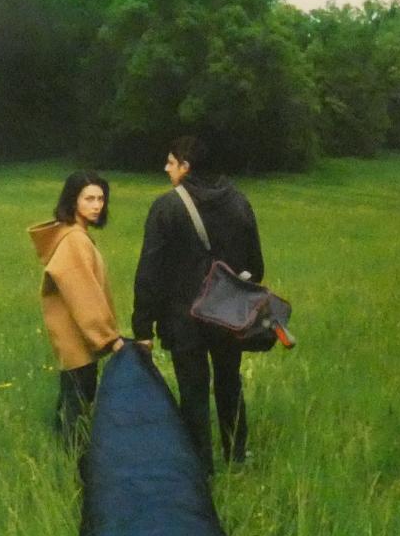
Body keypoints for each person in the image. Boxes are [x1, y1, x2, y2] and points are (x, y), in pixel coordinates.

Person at [132, 135, 265, 469]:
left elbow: (150, 269)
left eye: (171, 162)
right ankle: (236, 456)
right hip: (228, 314)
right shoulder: (239, 202)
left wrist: (143, 326)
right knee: (229, 382)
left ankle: (199, 466)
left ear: (186, 167)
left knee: (193, 391)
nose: (166, 168)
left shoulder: (167, 206)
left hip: (183, 318)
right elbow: (256, 266)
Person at [28, 171, 126, 442]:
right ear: (73, 201)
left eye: (101, 199)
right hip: (78, 342)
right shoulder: (74, 240)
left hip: (77, 340)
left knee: (74, 405)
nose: (97, 205)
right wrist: (109, 338)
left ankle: (66, 457)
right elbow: (83, 294)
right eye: (89, 199)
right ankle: (74, 463)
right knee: (77, 413)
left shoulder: (74, 236)